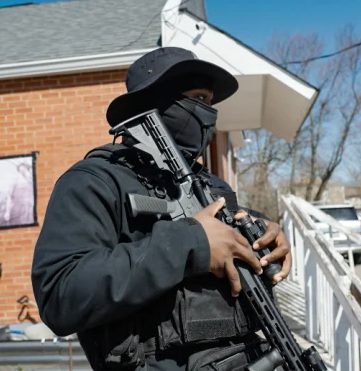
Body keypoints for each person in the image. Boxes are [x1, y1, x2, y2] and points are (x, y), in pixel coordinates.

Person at [31, 47, 292, 371]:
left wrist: (267, 234)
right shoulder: (94, 182)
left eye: (210, 102)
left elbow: (238, 235)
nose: (208, 114)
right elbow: (60, 295)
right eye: (198, 98)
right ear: (156, 100)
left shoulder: (211, 186)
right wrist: (191, 245)